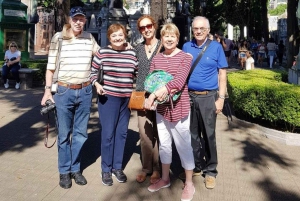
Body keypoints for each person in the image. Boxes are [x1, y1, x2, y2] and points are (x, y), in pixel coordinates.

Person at [41, 6, 99, 189]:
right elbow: (50, 67)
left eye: (81, 19)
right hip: (64, 92)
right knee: (64, 135)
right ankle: (64, 171)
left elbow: (101, 56)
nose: (78, 22)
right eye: (75, 18)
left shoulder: (90, 38)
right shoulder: (59, 38)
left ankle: (76, 169)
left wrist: (122, 47)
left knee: (81, 135)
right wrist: (47, 91)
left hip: (85, 91)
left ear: (85, 21)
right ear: (70, 19)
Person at [144, 23, 195, 201]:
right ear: (162, 38)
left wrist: (156, 93)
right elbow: (151, 80)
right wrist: (151, 94)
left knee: (184, 146)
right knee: (164, 145)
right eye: (166, 36)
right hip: (161, 109)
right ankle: (165, 179)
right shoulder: (157, 59)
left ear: (177, 38)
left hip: (179, 109)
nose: (169, 39)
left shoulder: (185, 57)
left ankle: (189, 183)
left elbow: (179, 81)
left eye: (172, 36)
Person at [182, 16, 228, 189]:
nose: (198, 31)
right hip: (189, 97)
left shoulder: (216, 47)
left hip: (208, 97)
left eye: (202, 28)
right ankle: (195, 166)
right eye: (195, 28)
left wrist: (221, 99)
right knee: (191, 135)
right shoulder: (186, 46)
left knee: (208, 135)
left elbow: (222, 74)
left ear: (208, 30)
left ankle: (211, 171)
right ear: (192, 30)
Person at [90, 23, 138, 186]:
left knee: (122, 134)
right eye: (114, 36)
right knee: (108, 134)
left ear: (125, 35)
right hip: (108, 99)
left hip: (126, 99)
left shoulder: (132, 53)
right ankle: (106, 169)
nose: (117, 38)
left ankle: (117, 167)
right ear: (109, 38)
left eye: (120, 34)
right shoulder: (102, 52)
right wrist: (97, 84)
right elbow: (91, 72)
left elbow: (137, 73)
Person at [134, 15, 161, 184]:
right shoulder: (137, 48)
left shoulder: (164, 45)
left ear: (154, 26)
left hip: (160, 96)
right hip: (141, 96)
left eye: (149, 26)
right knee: (145, 134)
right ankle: (146, 168)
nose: (146, 30)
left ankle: (158, 168)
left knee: (160, 133)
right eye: (142, 28)